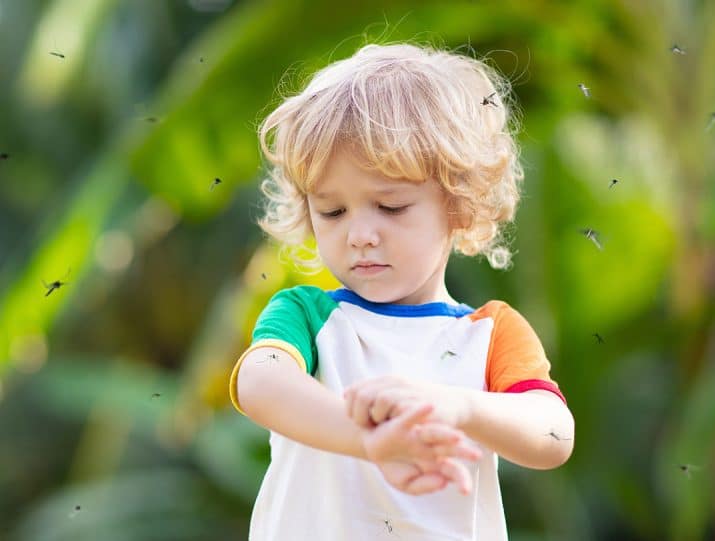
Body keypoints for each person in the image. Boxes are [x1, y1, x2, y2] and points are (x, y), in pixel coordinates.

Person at [229, 42, 574, 541]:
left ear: (460, 204)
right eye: (332, 211)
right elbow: (260, 385)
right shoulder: (306, 315)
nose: (360, 234)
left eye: (390, 207)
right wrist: (372, 440)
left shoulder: (490, 334)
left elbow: (553, 434)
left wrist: (456, 407)